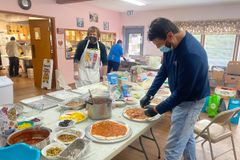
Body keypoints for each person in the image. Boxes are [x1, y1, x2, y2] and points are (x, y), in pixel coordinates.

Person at [140, 18, 210, 160]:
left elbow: (182, 94)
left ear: (170, 35)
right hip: (182, 97)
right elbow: (163, 71)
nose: (161, 49)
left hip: (191, 102)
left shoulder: (191, 54)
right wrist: (149, 94)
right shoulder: (171, 45)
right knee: (186, 136)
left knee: (173, 149)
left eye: (160, 45)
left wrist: (156, 109)